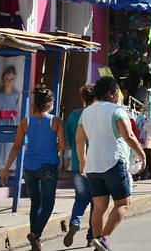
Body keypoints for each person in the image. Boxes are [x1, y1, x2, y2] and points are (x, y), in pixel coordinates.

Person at [77, 76, 146, 251]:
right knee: (123, 203)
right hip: (113, 162)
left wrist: (82, 161)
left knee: (99, 208)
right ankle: (103, 238)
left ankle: (97, 244)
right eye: (117, 92)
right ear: (111, 93)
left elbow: (79, 141)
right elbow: (129, 136)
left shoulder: (86, 112)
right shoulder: (116, 111)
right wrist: (142, 155)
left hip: (93, 166)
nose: (118, 96)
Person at [0, 84, 67, 251]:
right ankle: (36, 234)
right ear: (50, 105)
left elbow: (16, 146)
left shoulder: (26, 122)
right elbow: (63, 145)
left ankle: (36, 241)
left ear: (34, 104)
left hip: (29, 168)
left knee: (35, 204)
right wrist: (54, 145)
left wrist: (6, 168)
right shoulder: (55, 121)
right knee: (48, 204)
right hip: (48, 168)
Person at [64, 83, 96, 248]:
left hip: (78, 165)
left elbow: (69, 138)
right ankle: (91, 236)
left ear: (82, 98)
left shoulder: (74, 115)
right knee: (95, 202)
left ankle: (74, 223)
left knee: (80, 198)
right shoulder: (98, 115)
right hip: (96, 166)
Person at [0, 64, 20, 172]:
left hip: (10, 123)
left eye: (11, 79)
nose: (9, 81)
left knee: (8, 145)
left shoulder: (16, 94)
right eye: (7, 79)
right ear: (3, 79)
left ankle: (6, 168)